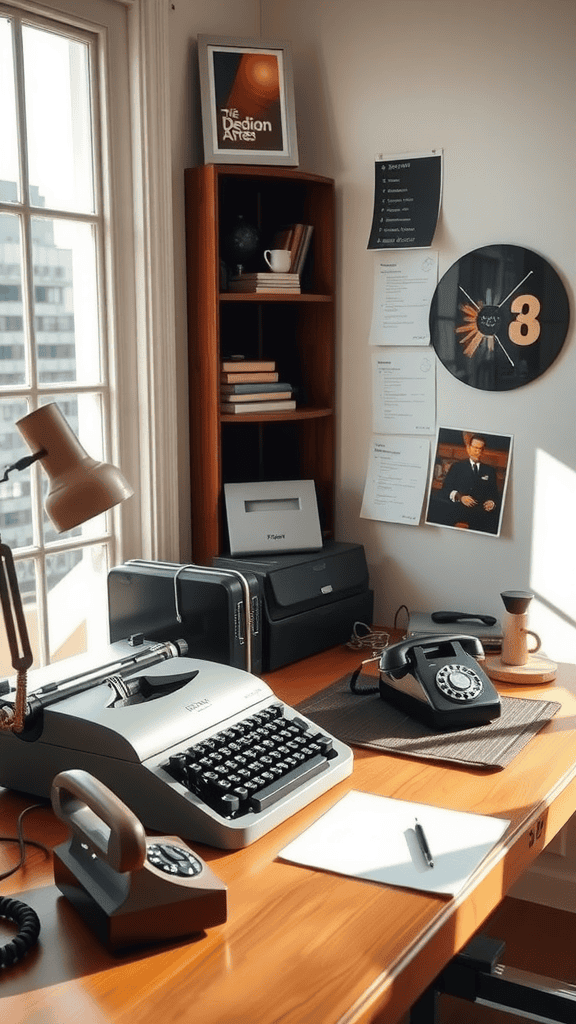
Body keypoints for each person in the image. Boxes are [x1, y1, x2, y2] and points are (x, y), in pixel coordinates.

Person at [430, 434, 501, 533]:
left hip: (481, 518)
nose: (478, 452)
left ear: (483, 451)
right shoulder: (457, 467)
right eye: (475, 448)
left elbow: (495, 495)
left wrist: (492, 503)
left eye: (481, 449)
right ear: (468, 448)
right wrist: (460, 497)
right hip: (458, 514)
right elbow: (445, 490)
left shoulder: (490, 471)